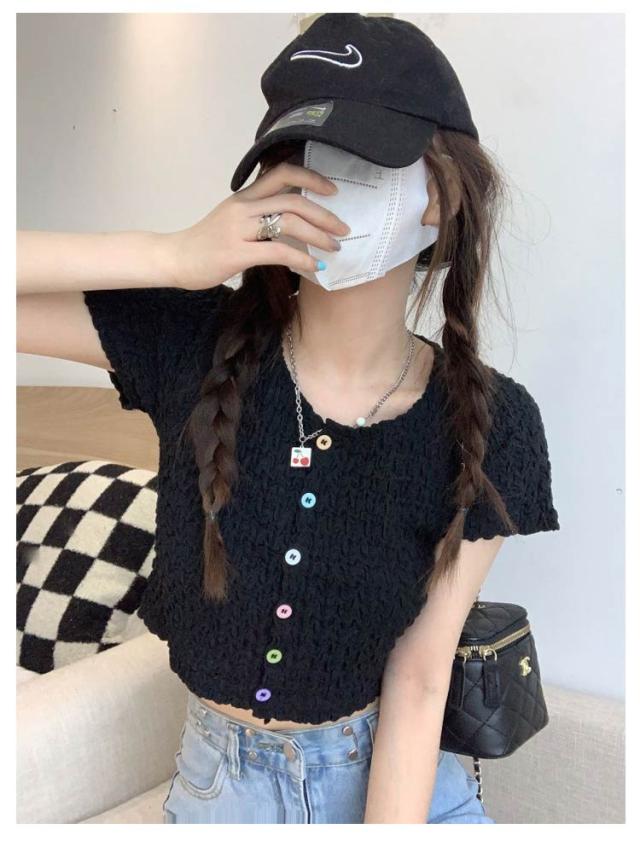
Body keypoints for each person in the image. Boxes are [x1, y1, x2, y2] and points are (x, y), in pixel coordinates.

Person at [17, 13, 560, 825]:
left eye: (362, 155)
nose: (320, 183)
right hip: (220, 791)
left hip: (403, 793)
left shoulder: (493, 422)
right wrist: (174, 256)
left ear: (442, 195)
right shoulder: (192, 344)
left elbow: (420, 677)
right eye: (298, 156)